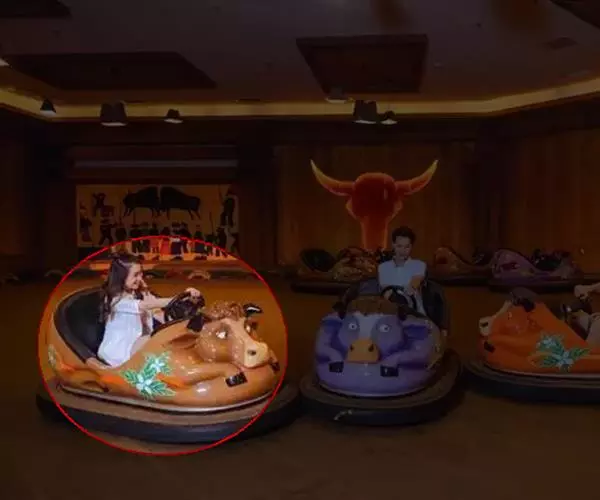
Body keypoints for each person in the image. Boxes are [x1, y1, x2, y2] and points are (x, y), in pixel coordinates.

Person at [97, 252, 202, 367]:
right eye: (135, 275)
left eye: (141, 274)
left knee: (170, 339)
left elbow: (160, 315)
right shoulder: (115, 300)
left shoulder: (138, 294)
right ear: (121, 277)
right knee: (157, 342)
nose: (140, 278)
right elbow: (147, 305)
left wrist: (189, 303)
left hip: (137, 345)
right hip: (118, 353)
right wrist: (182, 296)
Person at [377, 226, 427, 314]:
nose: (402, 251)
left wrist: (411, 288)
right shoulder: (383, 267)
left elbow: (414, 283)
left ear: (411, 246)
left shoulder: (419, 265)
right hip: (389, 311)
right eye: (399, 246)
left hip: (414, 311)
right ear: (393, 245)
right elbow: (386, 291)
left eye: (407, 247)